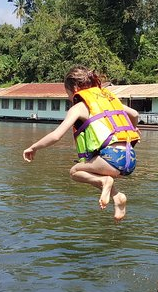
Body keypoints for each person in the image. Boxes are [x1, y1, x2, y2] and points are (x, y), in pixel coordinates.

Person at [22, 65, 140, 221]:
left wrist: (33, 147)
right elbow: (135, 113)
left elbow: (56, 135)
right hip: (130, 159)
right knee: (92, 166)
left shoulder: (79, 107)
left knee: (75, 172)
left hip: (111, 159)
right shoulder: (109, 99)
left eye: (68, 94)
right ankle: (117, 197)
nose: (69, 98)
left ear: (75, 88)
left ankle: (105, 181)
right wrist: (134, 127)